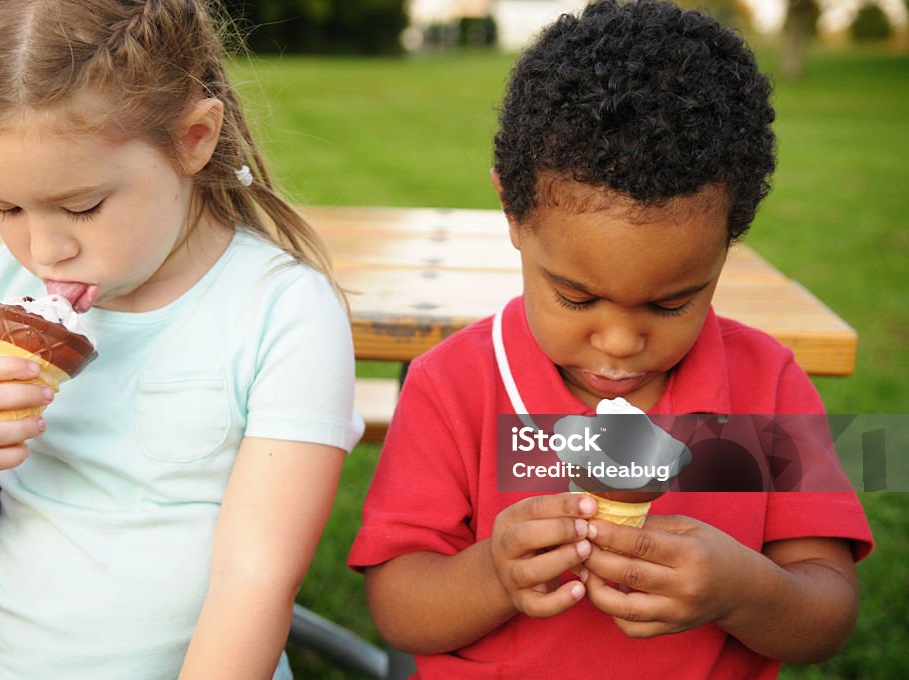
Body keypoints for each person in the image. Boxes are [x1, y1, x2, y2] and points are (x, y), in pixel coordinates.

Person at [348, 1, 873, 678]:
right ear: (512, 211)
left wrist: (743, 589)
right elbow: (397, 603)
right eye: (575, 296)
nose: (621, 342)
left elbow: (827, 613)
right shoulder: (454, 387)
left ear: (728, 240)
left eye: (672, 302)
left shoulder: (763, 385)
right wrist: (492, 574)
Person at [0, 1, 363, 678]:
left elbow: (255, 585)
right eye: (4, 207)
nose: (44, 248)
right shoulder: (1, 284)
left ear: (193, 138)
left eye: (82, 206)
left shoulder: (280, 312)